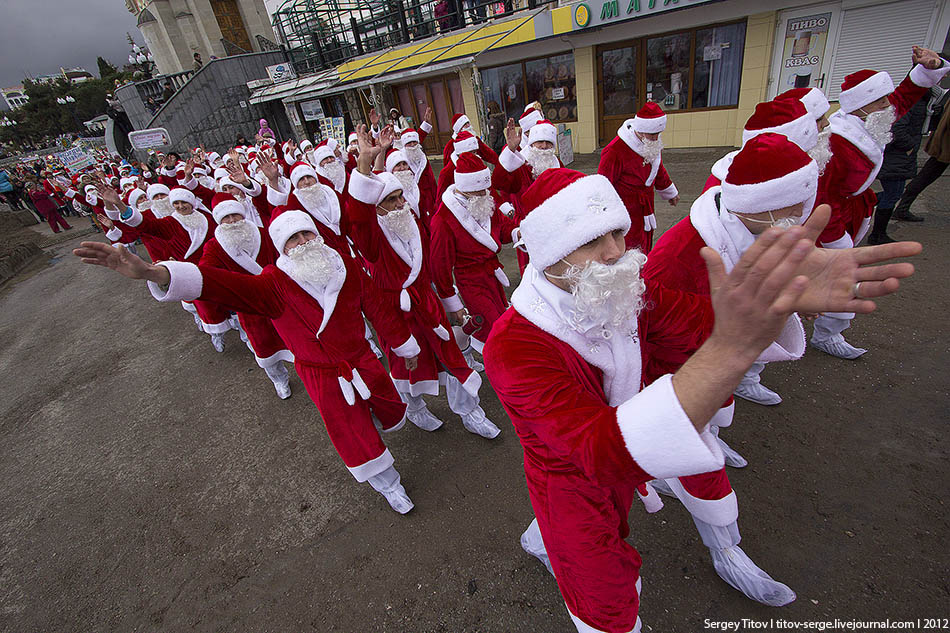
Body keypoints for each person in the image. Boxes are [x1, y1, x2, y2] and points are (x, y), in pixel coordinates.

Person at [482, 167, 920, 633]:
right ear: (548, 251)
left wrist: (778, 300)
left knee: (689, 477)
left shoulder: (624, 289)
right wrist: (731, 347)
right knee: (602, 591)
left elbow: (695, 321)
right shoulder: (513, 345)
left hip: (622, 448)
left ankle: (560, 539)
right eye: (591, 240)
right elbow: (597, 450)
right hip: (570, 477)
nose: (615, 252)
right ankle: (561, 554)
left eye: (616, 231)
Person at [73, 211, 424, 514]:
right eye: (292, 239)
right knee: (352, 434)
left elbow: (378, 308)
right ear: (281, 247)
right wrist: (155, 273)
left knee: (388, 407)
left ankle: (379, 421)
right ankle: (387, 483)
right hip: (323, 375)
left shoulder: (345, 266)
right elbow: (221, 284)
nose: (302, 242)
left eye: (307, 233)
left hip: (362, 360)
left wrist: (405, 346)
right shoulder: (273, 282)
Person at [347, 125, 499, 438]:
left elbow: (431, 264)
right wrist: (365, 164)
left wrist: (451, 303)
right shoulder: (371, 236)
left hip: (426, 302)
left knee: (454, 358)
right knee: (409, 366)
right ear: (376, 207)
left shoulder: (410, 219)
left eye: (401, 196)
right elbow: (359, 214)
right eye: (391, 200)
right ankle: (414, 408)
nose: (400, 203)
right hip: (396, 311)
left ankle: (471, 413)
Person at [812, 46, 948, 360]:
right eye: (879, 100)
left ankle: (828, 332)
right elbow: (823, 197)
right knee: (829, 276)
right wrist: (835, 240)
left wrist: (931, 67)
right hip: (825, 220)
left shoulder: (872, 117)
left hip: (852, 209)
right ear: (860, 105)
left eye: (885, 99)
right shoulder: (835, 143)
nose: (889, 105)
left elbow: (902, 98)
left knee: (837, 276)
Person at [429, 153, 518, 362]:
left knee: (498, 319)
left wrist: (517, 231)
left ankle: (477, 350)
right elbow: (439, 264)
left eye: (485, 188)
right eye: (478, 189)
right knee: (491, 325)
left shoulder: (483, 199)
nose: (485, 193)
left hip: (492, 275)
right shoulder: (444, 219)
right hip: (470, 281)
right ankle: (486, 358)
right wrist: (453, 303)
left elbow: (501, 228)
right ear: (464, 187)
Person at [597, 102, 680, 254]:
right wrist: (604, 213)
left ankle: (643, 268)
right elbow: (603, 182)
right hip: (625, 208)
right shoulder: (615, 150)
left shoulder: (651, 144)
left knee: (645, 240)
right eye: (652, 134)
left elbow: (658, 169)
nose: (655, 138)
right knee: (628, 246)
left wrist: (670, 193)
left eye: (658, 134)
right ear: (641, 130)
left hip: (646, 206)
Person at [869, 92, 929, 244]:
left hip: (898, 158)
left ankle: (864, 203)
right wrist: (910, 146)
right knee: (893, 194)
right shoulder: (910, 102)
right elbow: (897, 128)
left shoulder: (922, 99)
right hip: (896, 157)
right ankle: (877, 235)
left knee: (893, 193)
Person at [892, 89, 950, 221]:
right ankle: (901, 207)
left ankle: (902, 207)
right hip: (945, 144)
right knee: (927, 175)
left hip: (943, 142)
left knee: (927, 175)